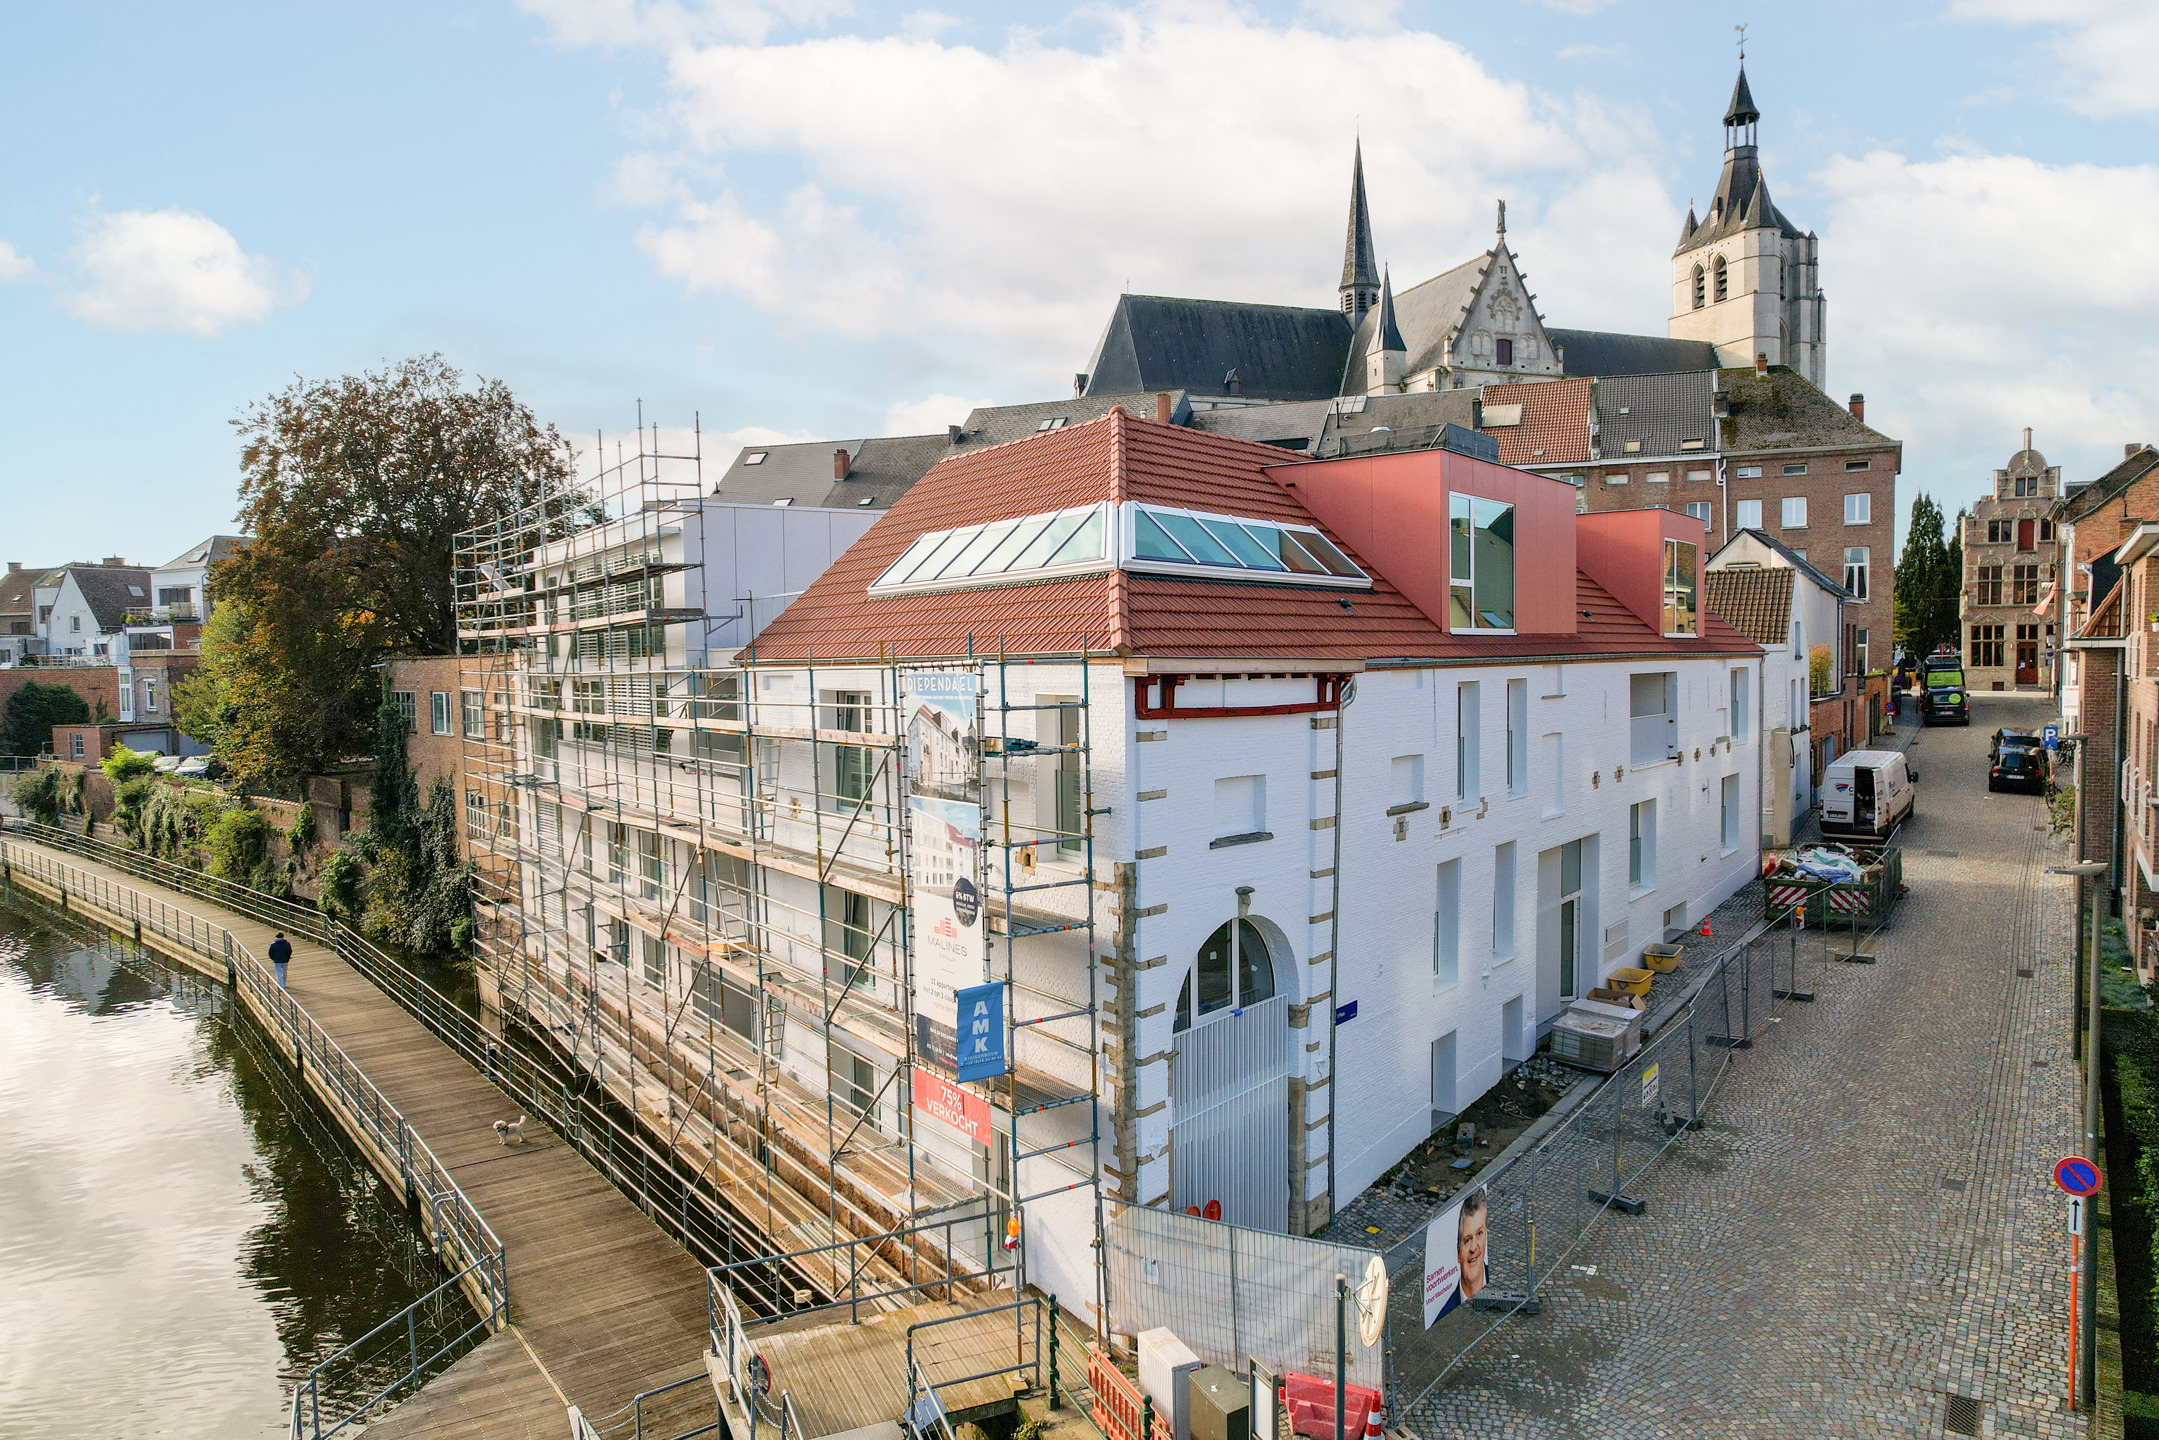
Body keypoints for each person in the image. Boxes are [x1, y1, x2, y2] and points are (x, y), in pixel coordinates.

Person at [1455, 1189, 1488, 1302]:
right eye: (1467, 1240)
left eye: (1479, 1234)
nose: (1473, 1248)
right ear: (1458, 1253)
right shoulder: (1446, 1310)